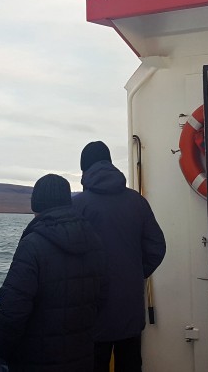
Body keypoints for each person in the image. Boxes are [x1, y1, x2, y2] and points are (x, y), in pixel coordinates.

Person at [0, 174, 107, 372]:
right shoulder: (95, 241)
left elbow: (12, 310)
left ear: (36, 205)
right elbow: (102, 297)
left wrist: (4, 352)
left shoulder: (32, 245)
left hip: (36, 360)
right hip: (83, 357)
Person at [72, 141, 166, 372]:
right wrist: (136, 272)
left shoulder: (77, 205)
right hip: (130, 311)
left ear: (85, 169)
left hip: (91, 311)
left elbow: (67, 255)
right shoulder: (137, 202)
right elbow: (157, 247)